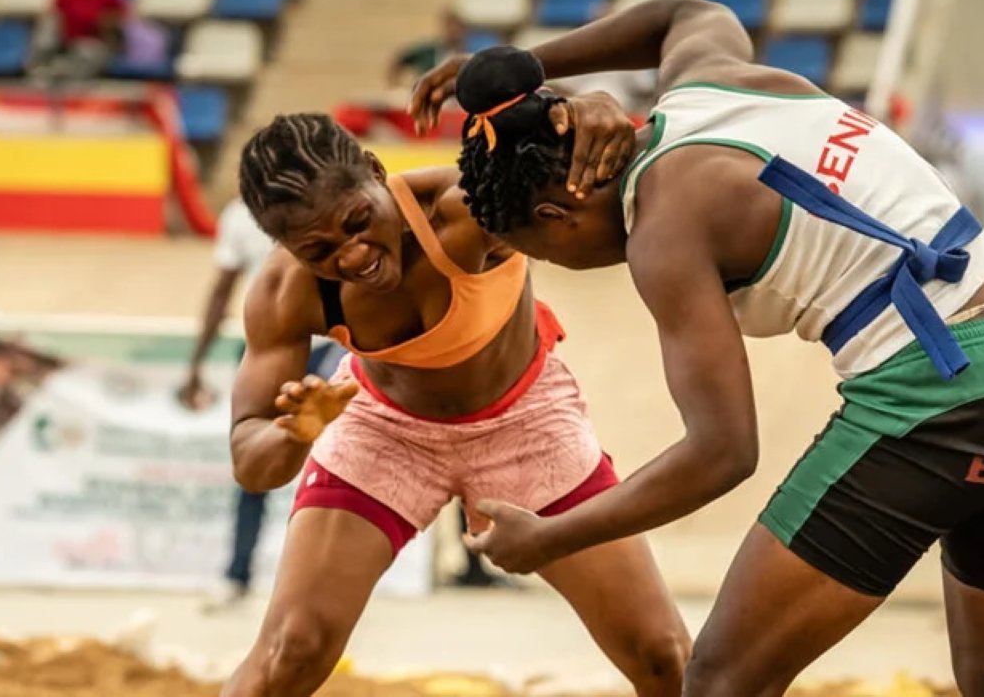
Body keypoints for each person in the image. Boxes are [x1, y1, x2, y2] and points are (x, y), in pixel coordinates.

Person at [411, 0, 984, 697]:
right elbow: (683, 11)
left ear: (557, 216)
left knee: (719, 682)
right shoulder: (711, 80)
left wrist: (554, 535)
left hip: (943, 394)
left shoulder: (662, 230)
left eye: (544, 254)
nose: (564, 266)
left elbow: (722, 453)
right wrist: (532, 76)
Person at [221, 102, 689, 696]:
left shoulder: (467, 209)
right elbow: (249, 461)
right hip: (382, 428)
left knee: (661, 654)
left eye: (360, 220)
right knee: (293, 650)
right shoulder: (284, 292)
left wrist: (591, 111)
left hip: (525, 421)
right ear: (287, 249)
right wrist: (295, 432)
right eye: (320, 252)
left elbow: (600, 177)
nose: (354, 255)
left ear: (374, 168)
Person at [180, 197, 345, 611]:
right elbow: (222, 289)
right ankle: (238, 574)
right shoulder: (240, 214)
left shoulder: (335, 203)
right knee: (255, 461)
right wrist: (196, 362)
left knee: (334, 468)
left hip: (329, 346)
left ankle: (322, 585)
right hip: (268, 346)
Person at [32, 0, 127, 81]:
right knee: (49, 24)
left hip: (95, 42)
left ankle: (63, 75)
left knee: (88, 53)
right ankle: (39, 66)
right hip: (66, 40)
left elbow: (122, 16)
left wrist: (105, 21)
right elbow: (55, 12)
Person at [386, 10, 466, 88]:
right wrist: (395, 86)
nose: (454, 31)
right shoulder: (427, 51)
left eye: (457, 28)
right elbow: (398, 61)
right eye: (450, 26)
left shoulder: (465, 55)